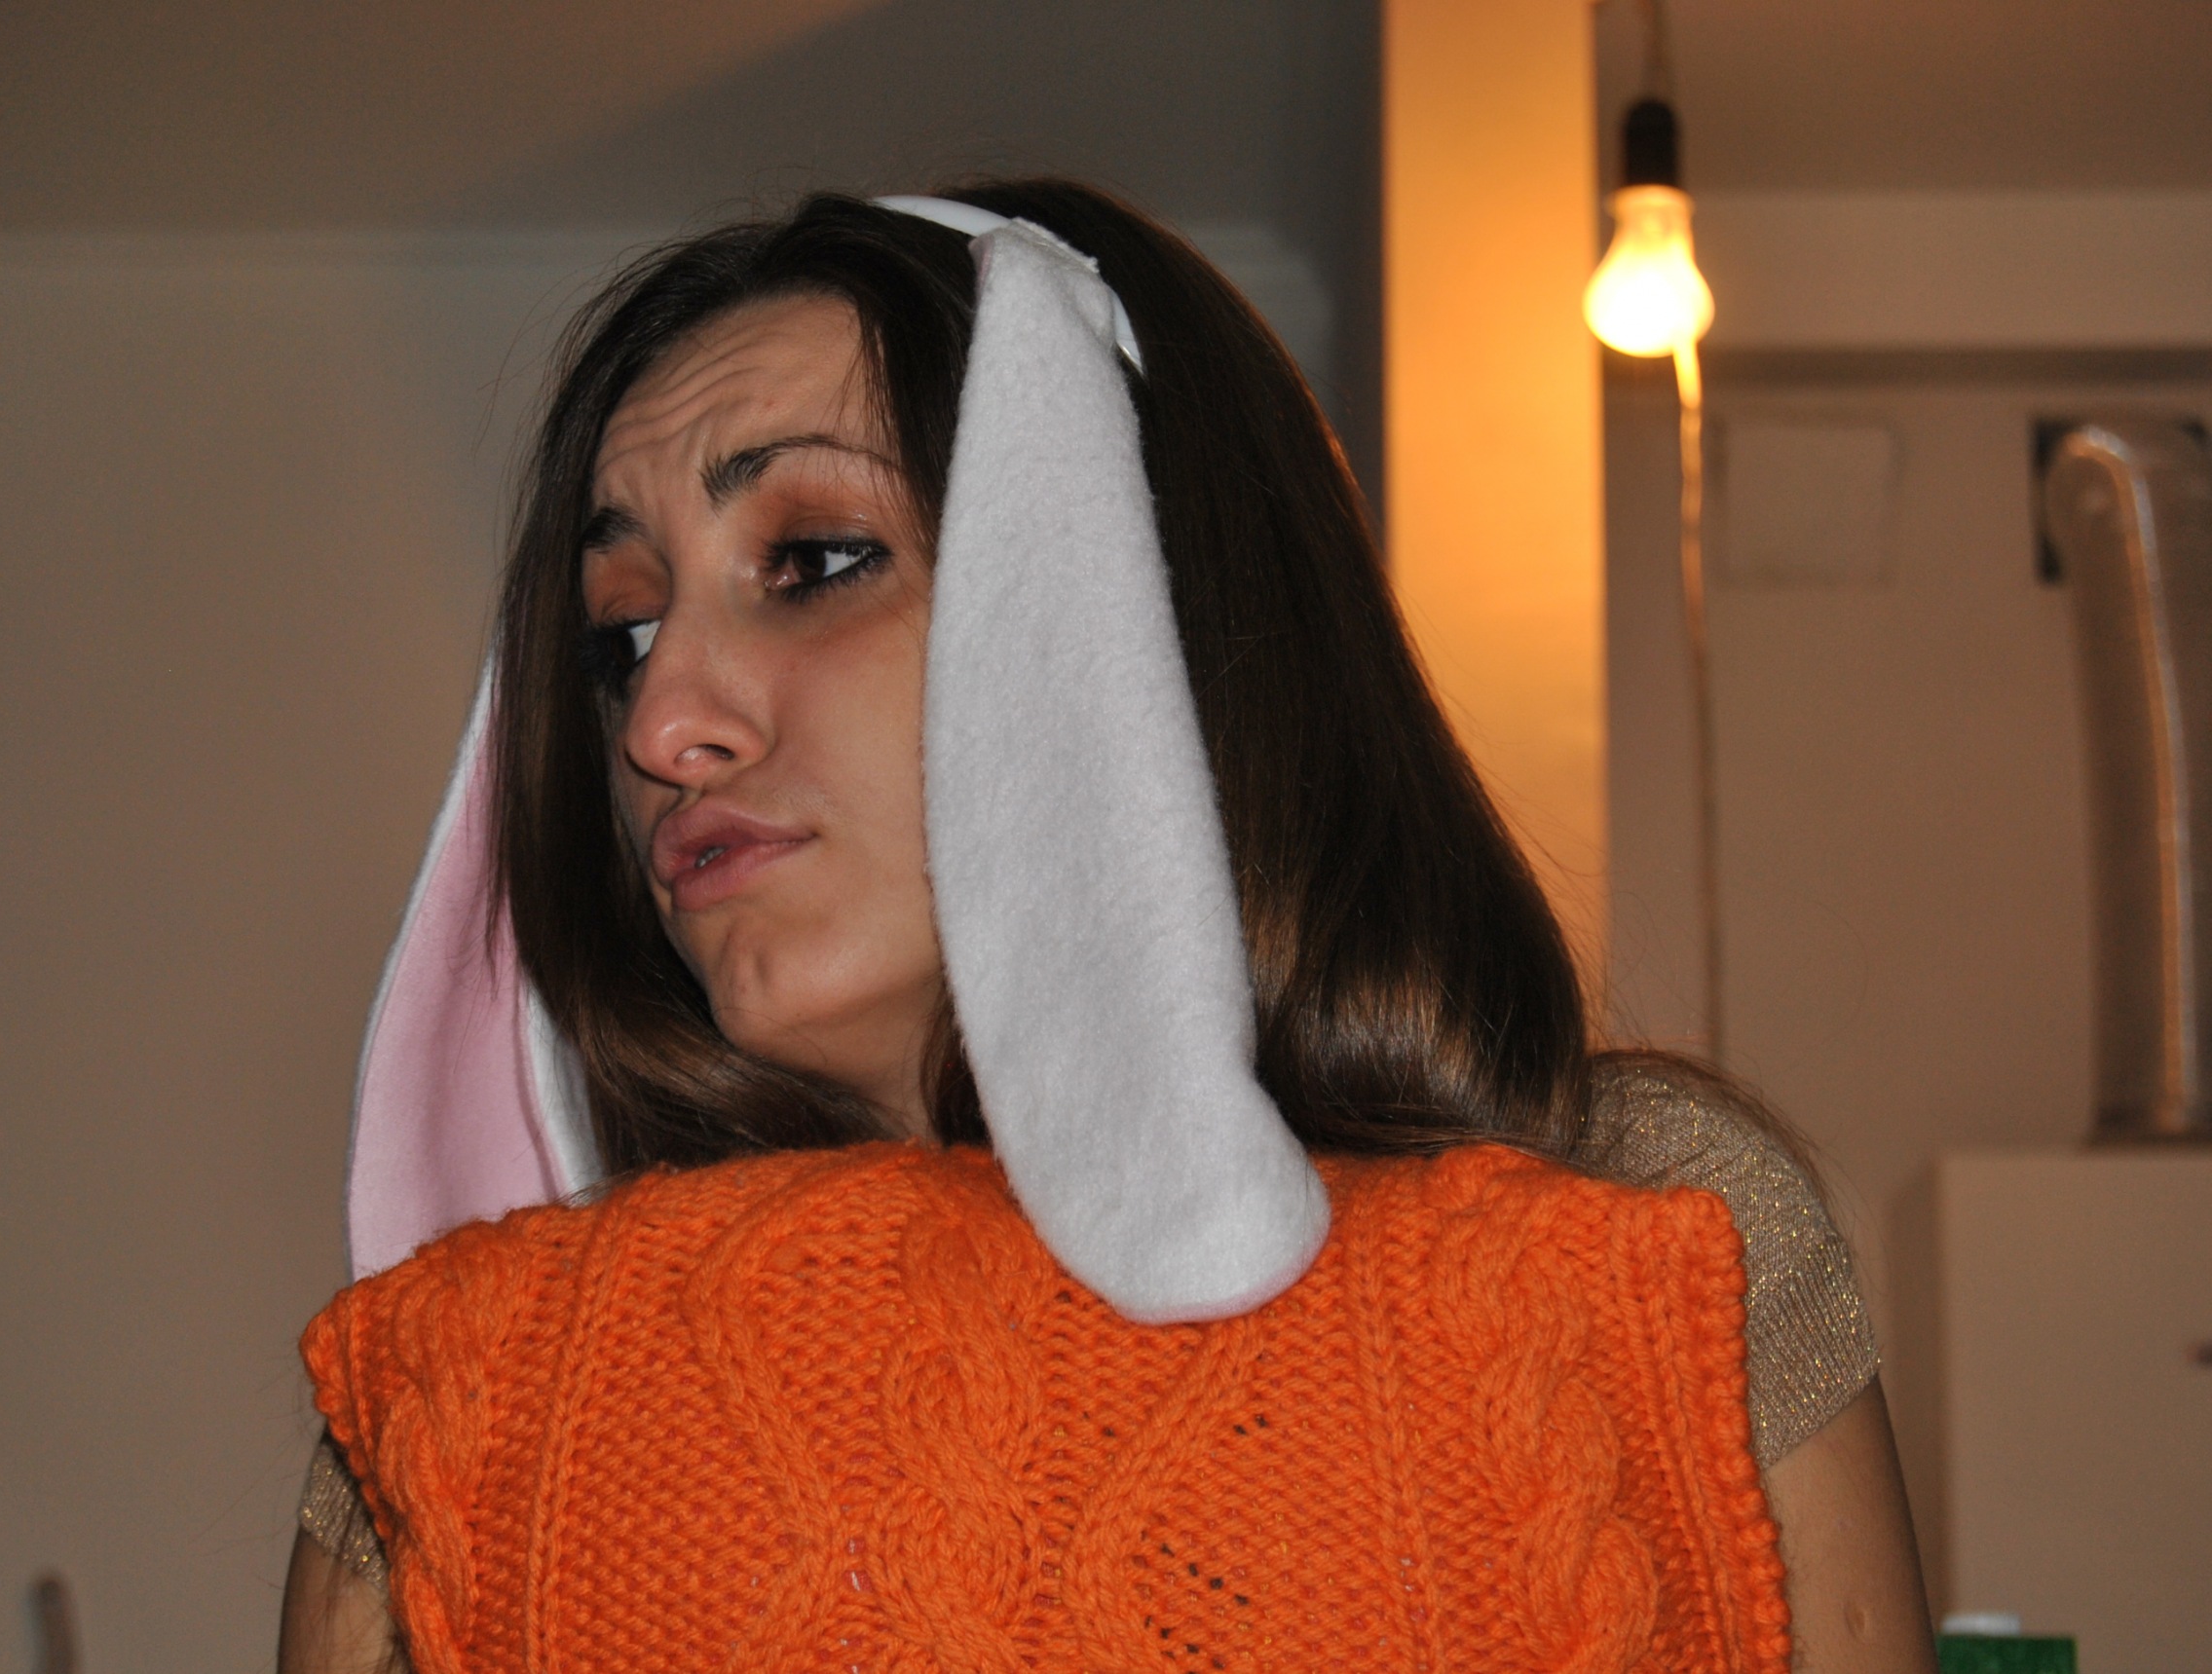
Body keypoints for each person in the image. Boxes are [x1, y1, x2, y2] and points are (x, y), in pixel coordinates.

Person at [278, 179, 1934, 1673]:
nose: (662, 724)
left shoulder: (1658, 1217)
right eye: (620, 634)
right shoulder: (477, 1390)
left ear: (1149, 616)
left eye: (818, 559)